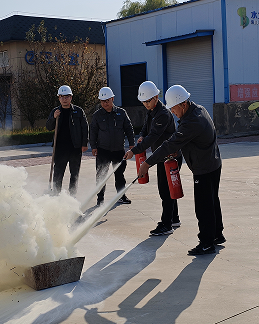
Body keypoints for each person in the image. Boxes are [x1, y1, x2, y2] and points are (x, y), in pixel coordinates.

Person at [137, 85, 224, 256]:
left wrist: (147, 163)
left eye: (174, 108)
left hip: (204, 168)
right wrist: (179, 150)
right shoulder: (198, 110)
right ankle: (217, 234)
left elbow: (170, 143)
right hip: (213, 163)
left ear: (183, 104)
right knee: (212, 201)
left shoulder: (192, 121)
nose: (172, 112)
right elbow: (194, 139)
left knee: (203, 206)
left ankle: (206, 243)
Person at [125, 81, 182, 236]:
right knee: (168, 189)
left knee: (165, 190)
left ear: (156, 97)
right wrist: (141, 135)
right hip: (162, 155)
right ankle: (174, 218)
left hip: (170, 156)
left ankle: (166, 224)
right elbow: (146, 129)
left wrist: (134, 151)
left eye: (148, 101)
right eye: (143, 102)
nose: (145, 104)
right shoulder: (152, 111)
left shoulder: (162, 114)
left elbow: (153, 136)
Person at [89, 86, 135, 206]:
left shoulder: (121, 113)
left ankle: (121, 196)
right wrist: (93, 147)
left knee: (119, 175)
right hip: (103, 151)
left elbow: (129, 128)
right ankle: (100, 199)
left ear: (112, 99)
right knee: (101, 176)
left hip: (118, 150)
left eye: (107, 100)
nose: (105, 103)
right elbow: (93, 132)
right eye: (102, 101)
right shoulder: (97, 115)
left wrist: (132, 144)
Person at [45, 85, 89, 195]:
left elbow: (85, 127)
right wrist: (53, 117)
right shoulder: (55, 111)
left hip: (75, 148)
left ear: (71, 97)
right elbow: (49, 127)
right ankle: (56, 194)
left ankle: (72, 196)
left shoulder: (78, 111)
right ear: (59, 98)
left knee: (74, 174)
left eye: (67, 96)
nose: (64, 99)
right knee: (58, 173)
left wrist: (84, 143)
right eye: (62, 97)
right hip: (60, 148)